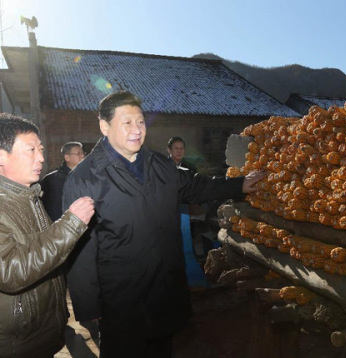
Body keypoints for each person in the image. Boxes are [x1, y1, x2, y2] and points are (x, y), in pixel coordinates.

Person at [62, 90, 266, 358]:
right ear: (104, 125)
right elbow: (80, 250)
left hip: (162, 293)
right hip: (122, 301)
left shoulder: (159, 165)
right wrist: (90, 309)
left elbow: (195, 186)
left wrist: (239, 184)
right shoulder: (84, 178)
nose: (136, 129)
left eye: (140, 121)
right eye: (127, 122)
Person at [0, 113, 95, 358]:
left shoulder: (28, 196)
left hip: (37, 336)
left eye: (40, 149)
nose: (41, 157)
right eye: (30, 150)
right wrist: (70, 225)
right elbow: (10, 271)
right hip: (5, 346)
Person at [40, 141, 85, 221]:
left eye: (83, 153)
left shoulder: (86, 177)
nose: (83, 156)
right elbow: (52, 211)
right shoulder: (52, 180)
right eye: (78, 153)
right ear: (67, 157)